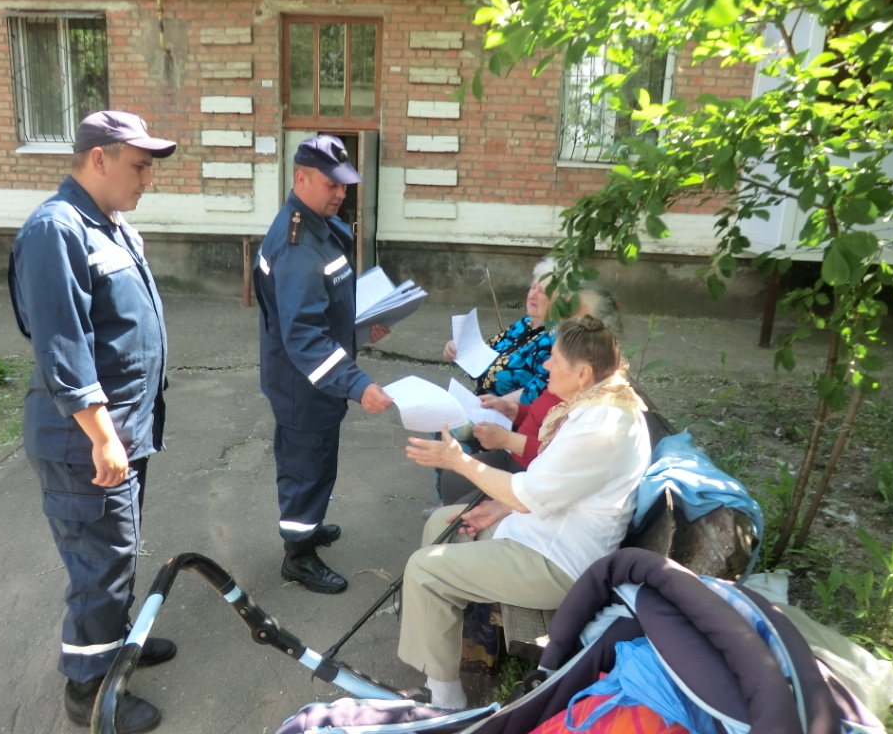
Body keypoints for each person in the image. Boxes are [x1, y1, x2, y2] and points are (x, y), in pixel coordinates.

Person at [8, 111, 176, 733]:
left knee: (118, 551)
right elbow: (63, 346)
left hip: (122, 432)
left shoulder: (109, 225)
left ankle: (119, 647)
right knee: (98, 568)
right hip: (86, 441)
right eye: (139, 167)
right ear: (99, 158)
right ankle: (89, 692)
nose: (146, 180)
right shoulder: (56, 230)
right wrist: (102, 435)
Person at [400, 316, 651, 709]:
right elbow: (552, 485)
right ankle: (454, 651)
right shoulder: (599, 403)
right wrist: (495, 508)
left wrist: (460, 462)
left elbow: (528, 493)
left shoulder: (602, 425)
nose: (546, 366)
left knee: (423, 568)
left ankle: (446, 700)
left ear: (583, 373)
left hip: (559, 562)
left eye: (554, 359)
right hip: (543, 530)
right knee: (441, 523)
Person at [255, 134, 394, 595]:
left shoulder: (320, 226)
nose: (340, 193)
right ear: (301, 178)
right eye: (331, 184)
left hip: (317, 378)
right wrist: (357, 384)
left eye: (345, 185)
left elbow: (323, 305)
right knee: (304, 466)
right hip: (304, 382)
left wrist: (358, 326)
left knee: (318, 462)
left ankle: (309, 526)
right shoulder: (298, 244)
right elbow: (303, 335)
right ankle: (298, 555)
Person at [438, 284, 624, 505]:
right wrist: (512, 410)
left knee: (456, 507)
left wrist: (506, 438)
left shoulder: (594, 402)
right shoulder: (574, 375)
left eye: (578, 324)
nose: (562, 327)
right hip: (518, 459)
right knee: (452, 480)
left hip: (530, 475)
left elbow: (557, 460)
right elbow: (542, 413)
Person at [443, 259, 557, 405]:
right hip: (483, 403)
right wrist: (454, 349)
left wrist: (498, 403)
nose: (533, 294)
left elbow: (539, 390)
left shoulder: (554, 338)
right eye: (532, 287)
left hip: (508, 413)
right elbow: (484, 352)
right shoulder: (525, 323)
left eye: (541, 291)